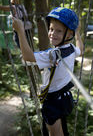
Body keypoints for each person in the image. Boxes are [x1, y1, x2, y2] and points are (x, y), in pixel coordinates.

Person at [12, 7, 83, 136]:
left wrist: (20, 31)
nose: (52, 34)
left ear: (69, 34)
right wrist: (77, 32)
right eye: (51, 29)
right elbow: (81, 49)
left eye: (59, 31)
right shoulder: (72, 49)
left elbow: (28, 56)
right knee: (60, 131)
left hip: (53, 101)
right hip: (65, 98)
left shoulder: (52, 55)